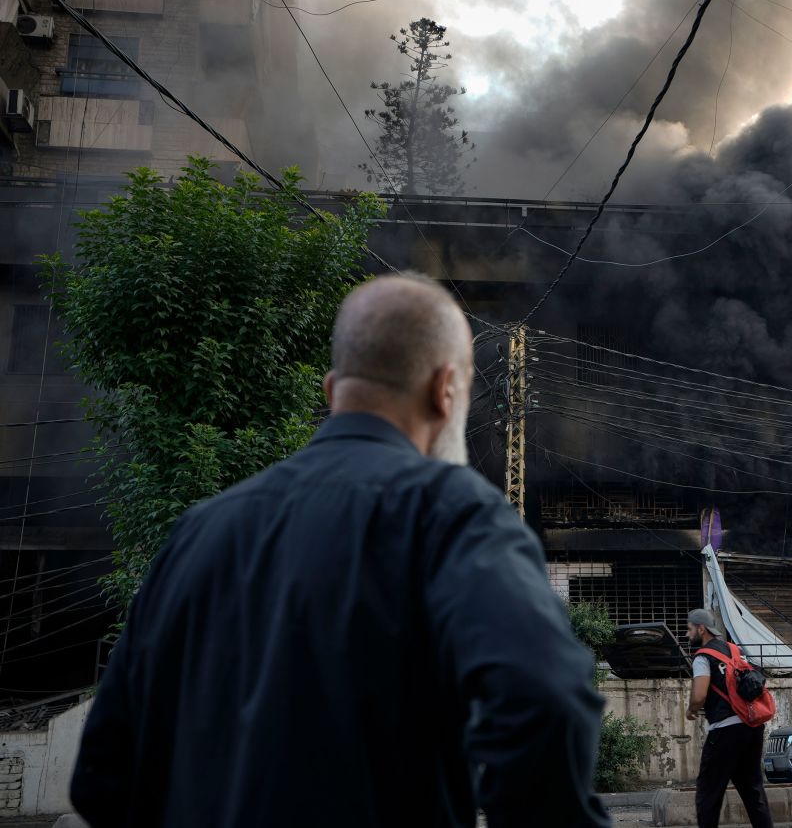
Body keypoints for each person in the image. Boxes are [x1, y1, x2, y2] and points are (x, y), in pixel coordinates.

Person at [70, 274, 610, 828]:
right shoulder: (453, 516)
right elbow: (544, 702)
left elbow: (101, 778)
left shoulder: (198, 532)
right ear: (445, 389)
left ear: (332, 391)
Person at [685, 609, 773, 828]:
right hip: (752, 728)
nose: (687, 635)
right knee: (753, 790)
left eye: (689, 629)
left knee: (708, 792)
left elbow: (699, 695)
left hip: (725, 730)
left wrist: (691, 709)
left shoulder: (703, 656)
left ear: (701, 628)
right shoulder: (735, 650)